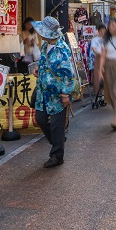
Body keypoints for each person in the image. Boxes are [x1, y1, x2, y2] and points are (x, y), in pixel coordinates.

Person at [31, 16, 75, 168]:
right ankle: (58, 140)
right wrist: (38, 69)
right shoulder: (45, 46)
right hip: (43, 92)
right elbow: (44, 63)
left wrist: (65, 94)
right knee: (40, 118)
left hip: (57, 95)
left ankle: (57, 155)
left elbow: (69, 74)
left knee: (57, 124)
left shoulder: (62, 49)